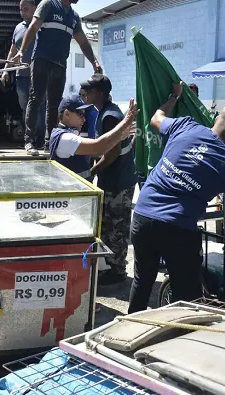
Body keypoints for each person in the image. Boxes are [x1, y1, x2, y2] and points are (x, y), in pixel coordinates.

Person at [128, 82, 225, 314]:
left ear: (216, 120)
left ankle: (126, 331)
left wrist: (174, 98)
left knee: (142, 279)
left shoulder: (185, 126)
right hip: (178, 228)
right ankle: (181, 340)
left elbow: (156, 117)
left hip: (143, 215)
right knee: (186, 294)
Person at [12, 0, 102, 156]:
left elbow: (82, 42)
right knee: (36, 98)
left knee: (54, 105)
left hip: (60, 64)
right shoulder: (48, 4)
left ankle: (50, 142)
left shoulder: (74, 16)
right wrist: (22, 50)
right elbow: (33, 27)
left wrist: (93, 61)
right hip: (41, 60)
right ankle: (29, 140)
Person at [81, 74, 138, 285]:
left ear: (101, 94)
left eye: (89, 91)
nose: (85, 94)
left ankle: (117, 271)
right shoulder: (103, 112)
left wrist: (92, 171)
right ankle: (110, 266)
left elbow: (111, 154)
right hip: (113, 179)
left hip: (119, 181)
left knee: (117, 226)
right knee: (108, 225)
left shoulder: (109, 116)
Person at [49, 95, 138, 180]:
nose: (84, 119)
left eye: (84, 115)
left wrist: (119, 136)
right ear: (67, 114)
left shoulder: (65, 136)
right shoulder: (65, 138)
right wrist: (126, 121)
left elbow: (99, 151)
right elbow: (98, 148)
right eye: (80, 114)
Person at [2, 0, 46, 149]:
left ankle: (39, 140)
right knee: (25, 108)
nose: (23, 12)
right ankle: (29, 140)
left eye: (26, 9)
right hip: (22, 76)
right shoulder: (18, 28)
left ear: (35, 8)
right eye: (21, 10)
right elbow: (12, 51)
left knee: (39, 108)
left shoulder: (43, 25)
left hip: (40, 75)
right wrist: (6, 69)